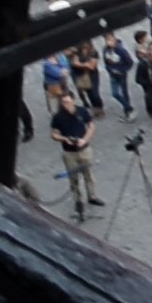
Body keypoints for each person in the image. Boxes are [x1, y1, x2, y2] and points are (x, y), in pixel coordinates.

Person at [49, 91, 104, 221]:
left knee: (89, 174)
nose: (65, 105)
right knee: (73, 179)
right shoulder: (58, 117)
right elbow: (54, 134)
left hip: (84, 149)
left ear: (73, 100)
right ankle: (78, 201)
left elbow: (91, 126)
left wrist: (85, 140)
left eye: (67, 102)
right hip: (69, 152)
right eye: (63, 102)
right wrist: (64, 139)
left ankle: (92, 196)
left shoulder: (82, 111)